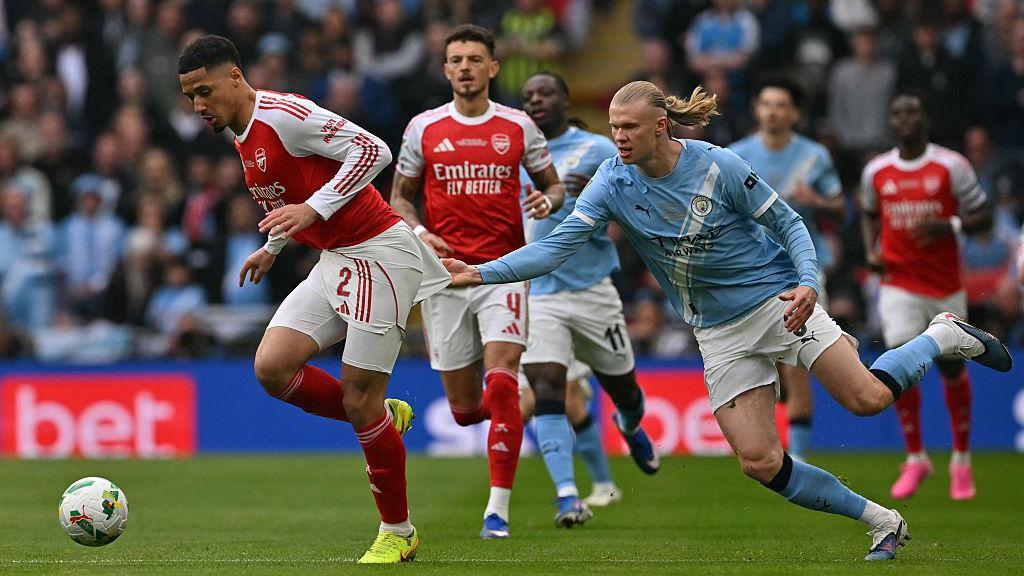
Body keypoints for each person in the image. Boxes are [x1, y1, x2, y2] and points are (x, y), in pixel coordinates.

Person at [441, 80, 1012, 561]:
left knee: (865, 399)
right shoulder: (613, 183)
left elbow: (791, 224)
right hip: (718, 333)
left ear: (662, 125)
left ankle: (941, 334)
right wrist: (482, 272)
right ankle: (882, 521)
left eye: (628, 128)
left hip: (777, 302)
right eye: (613, 127)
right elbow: (556, 246)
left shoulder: (718, 166)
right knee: (759, 461)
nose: (617, 137)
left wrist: (810, 283)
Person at [178, 35, 452, 563]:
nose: (198, 107)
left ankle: (399, 531)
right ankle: (378, 416)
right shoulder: (240, 134)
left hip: (380, 252)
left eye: (205, 91)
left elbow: (374, 150)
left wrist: (315, 211)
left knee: (358, 396)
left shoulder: (285, 115)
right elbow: (290, 194)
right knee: (273, 367)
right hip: (336, 257)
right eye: (190, 97)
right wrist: (274, 246)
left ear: (235, 76)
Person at [389, 24, 566, 540]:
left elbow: (552, 186)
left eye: (474, 58)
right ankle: (514, 402)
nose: (465, 67)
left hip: (503, 269)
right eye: (456, 59)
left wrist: (545, 201)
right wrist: (421, 231)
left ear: (492, 67)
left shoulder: (517, 127)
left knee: (502, 378)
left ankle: (497, 511)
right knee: (467, 412)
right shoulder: (424, 128)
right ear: (446, 70)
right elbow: (400, 196)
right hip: (444, 277)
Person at [515, 71, 660, 526]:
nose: (536, 101)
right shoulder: (514, 156)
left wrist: (587, 204)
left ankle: (631, 423)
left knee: (624, 391)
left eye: (545, 93)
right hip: (538, 294)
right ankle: (568, 496)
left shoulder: (598, 149)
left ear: (564, 99)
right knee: (547, 391)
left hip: (593, 289)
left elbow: (636, 201)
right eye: (528, 96)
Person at [861, 92, 993, 501]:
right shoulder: (877, 171)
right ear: (891, 122)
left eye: (913, 112)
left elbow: (983, 215)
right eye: (898, 113)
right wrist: (872, 250)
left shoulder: (951, 165)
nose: (905, 119)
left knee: (952, 369)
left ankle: (961, 461)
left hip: (945, 285)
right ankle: (916, 457)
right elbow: (868, 212)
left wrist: (950, 224)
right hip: (898, 283)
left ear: (926, 119)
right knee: (901, 364)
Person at [729, 77, 846, 461]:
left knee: (796, 359)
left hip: (802, 269)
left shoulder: (815, 155)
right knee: (772, 365)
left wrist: (818, 201)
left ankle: (798, 456)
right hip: (750, 272)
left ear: (795, 112)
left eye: (781, 105)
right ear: (756, 110)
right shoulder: (735, 155)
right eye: (766, 103)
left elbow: (841, 208)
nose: (773, 111)